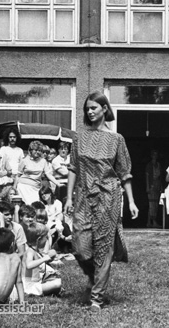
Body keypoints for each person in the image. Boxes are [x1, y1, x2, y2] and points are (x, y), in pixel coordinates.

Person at [63, 91, 139, 311]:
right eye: (87, 108)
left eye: (93, 108)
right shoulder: (80, 137)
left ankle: (96, 298)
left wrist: (132, 202)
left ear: (104, 109)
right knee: (80, 248)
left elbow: (125, 173)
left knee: (104, 248)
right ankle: (93, 276)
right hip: (83, 196)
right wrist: (68, 197)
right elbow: (73, 167)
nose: (89, 112)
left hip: (108, 197)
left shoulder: (117, 139)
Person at [22, 222, 61, 296]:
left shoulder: (35, 251)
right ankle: (33, 293)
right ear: (39, 239)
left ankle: (49, 291)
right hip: (29, 287)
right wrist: (44, 259)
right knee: (57, 283)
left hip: (35, 283)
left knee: (55, 279)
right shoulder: (29, 251)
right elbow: (29, 265)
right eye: (46, 237)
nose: (47, 239)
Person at [14, 141, 48, 205]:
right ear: (30, 150)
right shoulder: (24, 160)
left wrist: (58, 183)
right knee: (29, 205)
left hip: (36, 187)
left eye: (39, 150)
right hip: (24, 186)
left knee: (37, 205)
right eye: (35, 150)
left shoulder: (43, 161)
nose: (37, 152)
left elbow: (48, 174)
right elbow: (18, 175)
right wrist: (14, 188)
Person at [145, 149, 162, 228]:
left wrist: (161, 186)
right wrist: (148, 187)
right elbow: (147, 176)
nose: (155, 156)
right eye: (153, 154)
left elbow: (160, 177)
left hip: (157, 185)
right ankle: (150, 221)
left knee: (156, 204)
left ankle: (152, 221)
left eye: (156, 154)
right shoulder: (149, 165)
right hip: (151, 185)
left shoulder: (158, 164)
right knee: (151, 204)